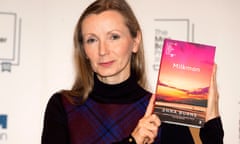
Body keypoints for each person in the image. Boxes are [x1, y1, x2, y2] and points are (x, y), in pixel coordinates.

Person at [41, 0, 224, 143]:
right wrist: (133, 140)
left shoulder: (161, 109)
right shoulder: (63, 106)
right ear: (84, 50)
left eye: (114, 37)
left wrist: (212, 122)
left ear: (135, 41)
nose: (103, 50)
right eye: (92, 40)